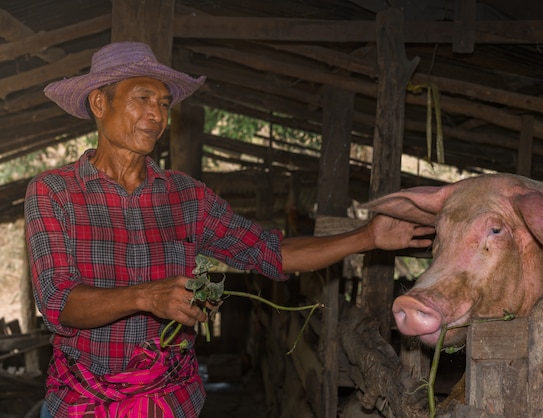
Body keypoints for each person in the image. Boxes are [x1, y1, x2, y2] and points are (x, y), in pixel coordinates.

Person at [25, 42, 427, 418]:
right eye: (142, 98)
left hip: (172, 401)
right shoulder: (54, 191)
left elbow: (270, 252)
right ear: (100, 102)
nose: (157, 115)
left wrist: (367, 237)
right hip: (81, 401)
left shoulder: (188, 197)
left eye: (164, 104)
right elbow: (59, 301)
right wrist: (148, 296)